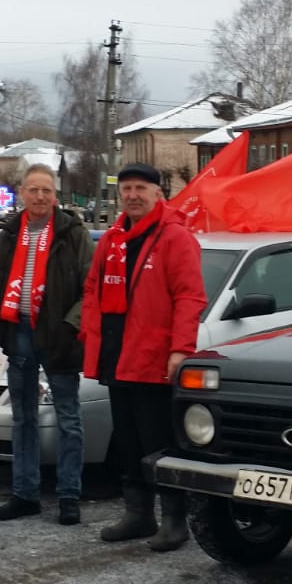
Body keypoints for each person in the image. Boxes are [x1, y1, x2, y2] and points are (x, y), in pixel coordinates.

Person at [81, 162, 207, 552]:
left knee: (159, 442)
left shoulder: (174, 237)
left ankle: (173, 519)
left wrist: (179, 349)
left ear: (157, 193)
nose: (133, 195)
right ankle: (138, 514)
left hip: (153, 360)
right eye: (127, 189)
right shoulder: (113, 239)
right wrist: (90, 340)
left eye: (141, 188)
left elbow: (190, 296)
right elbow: (92, 292)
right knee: (129, 442)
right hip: (118, 358)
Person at [0, 164, 96, 525]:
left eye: (46, 190)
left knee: (68, 420)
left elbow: (89, 285)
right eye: (33, 189)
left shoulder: (72, 232)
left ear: (55, 195)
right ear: (22, 194)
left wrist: (71, 324)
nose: (40, 196)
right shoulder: (10, 232)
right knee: (24, 420)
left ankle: (69, 495)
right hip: (18, 332)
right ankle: (25, 493)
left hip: (59, 335)